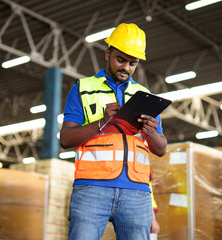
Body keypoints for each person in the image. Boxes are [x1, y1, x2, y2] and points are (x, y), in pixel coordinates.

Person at [60, 23, 167, 240]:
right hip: (91, 188)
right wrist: (102, 121)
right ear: (108, 54)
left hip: (137, 191)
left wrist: (151, 132)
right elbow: (65, 139)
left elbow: (161, 148)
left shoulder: (144, 95)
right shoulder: (82, 88)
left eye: (132, 63)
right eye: (121, 60)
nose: (126, 68)